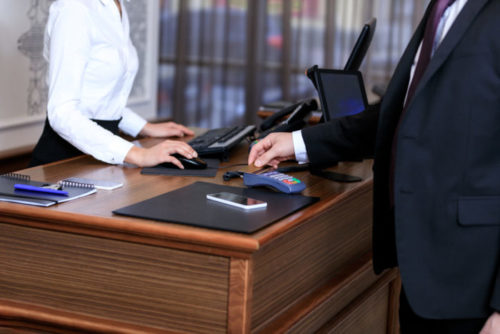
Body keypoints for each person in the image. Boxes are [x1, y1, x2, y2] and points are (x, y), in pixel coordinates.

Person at [248, 0, 500, 332]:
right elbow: (400, 114)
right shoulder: (441, 9)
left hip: (476, 287)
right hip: (423, 272)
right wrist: (298, 143)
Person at [30, 0, 197, 169]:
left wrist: (144, 127)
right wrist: (139, 154)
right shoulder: (74, 8)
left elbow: (100, 99)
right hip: (63, 164)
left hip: (103, 159)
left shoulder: (117, 7)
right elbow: (62, 112)